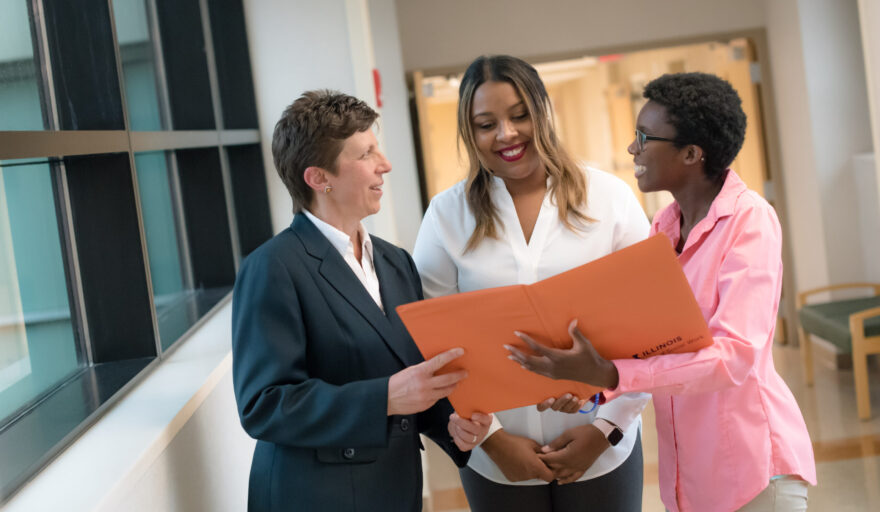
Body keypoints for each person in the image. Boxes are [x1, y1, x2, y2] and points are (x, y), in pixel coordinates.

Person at [508, 72, 817, 512]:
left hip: (753, 476)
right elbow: (653, 346)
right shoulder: (664, 228)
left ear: (691, 153)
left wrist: (611, 374)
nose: (633, 148)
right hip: (690, 482)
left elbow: (735, 356)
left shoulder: (750, 221)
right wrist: (590, 386)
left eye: (643, 136)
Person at [231, 90, 490, 512]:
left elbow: (406, 378)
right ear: (319, 178)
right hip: (315, 498)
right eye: (367, 153)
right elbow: (265, 405)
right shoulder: (272, 268)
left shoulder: (395, 261)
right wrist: (386, 396)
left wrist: (451, 424)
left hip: (393, 489)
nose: (384, 165)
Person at [413, 55, 651, 512]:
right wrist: (495, 441)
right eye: (486, 123)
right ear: (470, 132)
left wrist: (607, 428)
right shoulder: (447, 215)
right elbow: (433, 342)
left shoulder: (610, 198)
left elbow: (647, 331)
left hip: (602, 446)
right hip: (494, 455)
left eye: (520, 115)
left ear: (544, 112)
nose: (506, 134)